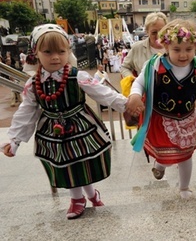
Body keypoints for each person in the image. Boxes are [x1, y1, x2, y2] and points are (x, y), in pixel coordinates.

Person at [0, 24, 128, 219]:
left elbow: (103, 94)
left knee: (81, 162)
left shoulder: (77, 76)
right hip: (52, 130)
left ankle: (91, 194)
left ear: (68, 51)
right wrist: (15, 140)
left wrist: (128, 106)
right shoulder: (34, 83)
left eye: (61, 51)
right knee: (66, 164)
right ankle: (77, 199)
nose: (55, 57)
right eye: (48, 52)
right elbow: (26, 112)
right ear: (36, 53)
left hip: (80, 126)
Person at [125, 19, 196, 199]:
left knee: (185, 155)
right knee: (164, 150)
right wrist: (134, 95)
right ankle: (160, 166)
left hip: (187, 119)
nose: (183, 55)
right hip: (161, 118)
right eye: (177, 50)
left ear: (195, 47)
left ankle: (184, 188)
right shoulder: (155, 65)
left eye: (188, 50)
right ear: (166, 47)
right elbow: (140, 82)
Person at [120, 12, 167, 78]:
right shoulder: (137, 48)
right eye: (154, 32)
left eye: (161, 31)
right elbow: (124, 67)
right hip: (144, 88)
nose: (158, 36)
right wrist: (132, 79)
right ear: (147, 32)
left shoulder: (175, 47)